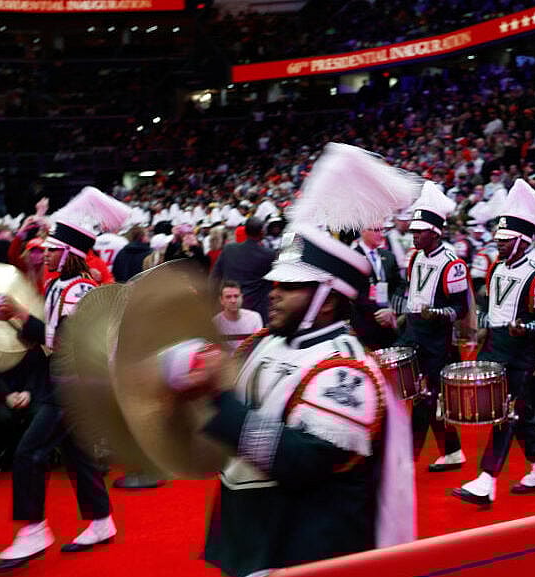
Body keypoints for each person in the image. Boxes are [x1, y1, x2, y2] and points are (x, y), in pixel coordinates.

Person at [161, 143, 414, 577]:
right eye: (275, 282)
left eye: (290, 286)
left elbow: (302, 461)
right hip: (256, 534)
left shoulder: (348, 370)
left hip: (302, 547)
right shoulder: (264, 342)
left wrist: (217, 397)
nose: (274, 293)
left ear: (328, 300)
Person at [0, 187, 126, 571]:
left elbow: (65, 340)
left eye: (53, 249)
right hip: (68, 380)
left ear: (70, 254)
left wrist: (19, 314)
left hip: (74, 384)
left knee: (29, 453)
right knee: (77, 454)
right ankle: (101, 521)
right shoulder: (60, 285)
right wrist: (17, 317)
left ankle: (34, 528)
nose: (45, 253)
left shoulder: (80, 289)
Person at [453, 179, 535, 505]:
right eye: (498, 238)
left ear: (523, 241)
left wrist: (523, 327)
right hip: (496, 346)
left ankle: (487, 479)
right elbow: (492, 306)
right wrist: (484, 327)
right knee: (520, 411)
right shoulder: (497, 268)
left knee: (507, 412)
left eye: (505, 239)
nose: (498, 244)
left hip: (522, 352)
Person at [396, 182, 469, 471]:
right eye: (413, 230)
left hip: (437, 340)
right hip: (413, 331)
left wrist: (436, 313)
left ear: (435, 233)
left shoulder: (453, 264)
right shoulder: (415, 257)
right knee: (424, 397)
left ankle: (409, 457)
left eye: (420, 231)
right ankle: (452, 451)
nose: (414, 235)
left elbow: (461, 309)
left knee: (426, 398)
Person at [210, 217, 275, 324]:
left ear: (245, 231)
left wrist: (212, 302)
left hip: (229, 307)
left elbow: (214, 278)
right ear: (262, 232)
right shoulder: (269, 255)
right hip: (256, 311)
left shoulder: (229, 249)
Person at [350, 224, 404, 351]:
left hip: (389, 320)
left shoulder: (388, 256)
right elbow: (354, 292)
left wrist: (392, 309)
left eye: (382, 230)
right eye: (376, 230)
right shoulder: (353, 257)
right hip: (365, 323)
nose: (381, 234)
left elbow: (399, 284)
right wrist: (379, 313)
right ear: (363, 231)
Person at [213, 280, 264, 352]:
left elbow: (258, 347)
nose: (233, 301)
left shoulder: (254, 318)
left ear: (241, 297)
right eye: (228, 297)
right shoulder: (216, 323)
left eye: (236, 296)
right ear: (221, 300)